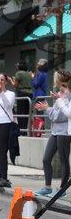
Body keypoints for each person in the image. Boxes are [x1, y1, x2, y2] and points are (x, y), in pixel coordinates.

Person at [34, 70, 71, 198]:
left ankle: (62, 189)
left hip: (65, 132)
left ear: (59, 80)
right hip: (55, 131)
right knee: (46, 159)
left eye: (55, 77)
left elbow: (60, 116)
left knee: (64, 160)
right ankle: (47, 187)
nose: (54, 80)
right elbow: (56, 114)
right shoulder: (60, 94)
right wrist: (50, 107)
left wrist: (47, 109)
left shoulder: (68, 94)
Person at [9, 61, 32, 133]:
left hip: (22, 93)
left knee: (21, 112)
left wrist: (11, 80)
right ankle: (26, 130)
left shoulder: (18, 73)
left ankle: (22, 130)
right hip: (30, 93)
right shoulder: (29, 74)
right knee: (27, 112)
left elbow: (15, 85)